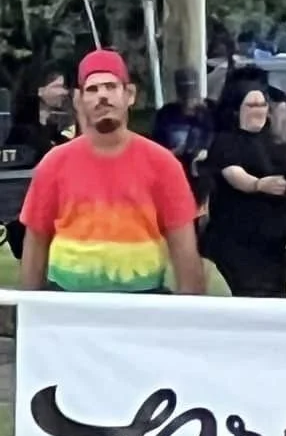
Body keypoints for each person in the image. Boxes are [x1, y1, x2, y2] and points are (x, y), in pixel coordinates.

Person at [17, 48, 205, 294]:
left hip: (142, 308)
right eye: (92, 90)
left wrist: (190, 319)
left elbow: (185, 251)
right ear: (79, 100)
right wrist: (32, 312)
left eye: (110, 87)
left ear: (129, 95)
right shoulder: (54, 163)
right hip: (68, 309)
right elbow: (36, 242)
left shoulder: (163, 164)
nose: (102, 96)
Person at [198, 85, 286, 296]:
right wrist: (258, 184)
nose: (258, 110)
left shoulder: (274, 143)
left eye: (262, 105)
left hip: (273, 245)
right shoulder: (224, 141)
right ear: (236, 110)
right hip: (237, 243)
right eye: (251, 105)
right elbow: (234, 174)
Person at [3, 61, 71, 262]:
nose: (64, 92)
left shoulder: (51, 131)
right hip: (23, 220)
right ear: (40, 90)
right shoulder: (22, 133)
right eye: (58, 86)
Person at [150, 67, 215, 174]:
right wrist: (172, 153)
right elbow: (156, 147)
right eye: (185, 98)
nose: (189, 101)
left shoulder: (207, 114)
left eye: (192, 97)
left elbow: (213, 141)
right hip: (172, 168)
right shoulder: (166, 114)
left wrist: (203, 151)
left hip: (201, 172)